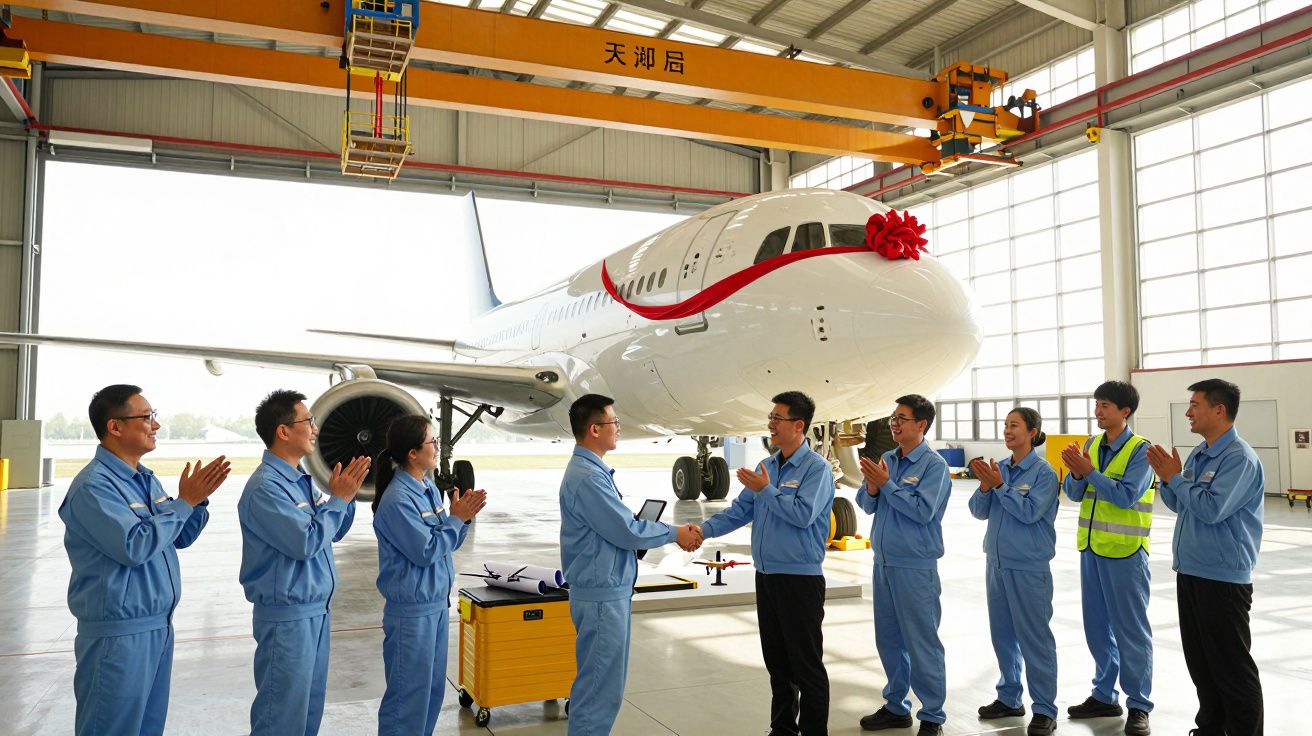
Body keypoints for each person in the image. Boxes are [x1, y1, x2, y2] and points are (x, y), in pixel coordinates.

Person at [60, 384, 230, 736]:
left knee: (147, 728)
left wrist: (195, 501)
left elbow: (178, 537)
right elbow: (133, 546)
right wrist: (184, 502)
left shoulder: (144, 480)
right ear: (115, 426)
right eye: (147, 417)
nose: (156, 425)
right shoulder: (94, 487)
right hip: (118, 635)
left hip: (159, 626)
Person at [558, 393, 702, 736]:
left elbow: (615, 529)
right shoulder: (588, 477)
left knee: (603, 687)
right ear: (594, 429)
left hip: (608, 591)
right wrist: (675, 533)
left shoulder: (592, 472)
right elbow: (625, 530)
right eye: (614, 422)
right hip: (601, 597)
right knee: (598, 691)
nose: (618, 428)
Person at [699, 391, 835, 736]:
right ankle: (783, 728)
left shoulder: (816, 469)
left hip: (799, 579)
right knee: (778, 662)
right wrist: (701, 531)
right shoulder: (768, 467)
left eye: (778, 418)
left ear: (799, 425)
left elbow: (802, 515)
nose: (771, 424)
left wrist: (767, 491)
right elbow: (738, 512)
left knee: (806, 666)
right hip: (767, 575)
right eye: (771, 417)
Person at [238, 389, 370, 736]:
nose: (315, 429)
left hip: (315, 611)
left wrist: (345, 497)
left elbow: (330, 532)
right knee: (281, 717)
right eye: (309, 421)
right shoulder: (266, 488)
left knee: (307, 712)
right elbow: (305, 542)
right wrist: (338, 499)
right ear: (283, 431)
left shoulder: (299, 482)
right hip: (288, 618)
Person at [1148, 379, 1264, 736]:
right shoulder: (1201, 453)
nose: (1188, 412)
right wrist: (1168, 481)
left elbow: (1212, 509)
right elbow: (1182, 504)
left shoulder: (1239, 458)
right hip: (1192, 571)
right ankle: (1210, 728)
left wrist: (1175, 478)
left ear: (1219, 410)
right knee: (1202, 664)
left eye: (1194, 405)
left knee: (1231, 668)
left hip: (1223, 577)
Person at [372, 414, 487, 736]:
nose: (437, 447)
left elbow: (445, 544)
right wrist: (455, 519)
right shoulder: (398, 499)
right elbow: (424, 551)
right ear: (412, 453)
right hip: (412, 613)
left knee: (431, 694)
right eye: (432, 442)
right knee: (407, 700)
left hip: (436, 606)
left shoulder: (428, 489)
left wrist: (462, 519)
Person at [1060, 380, 1154, 736]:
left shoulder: (1141, 451)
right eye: (1096, 404)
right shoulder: (1091, 445)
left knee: (1131, 631)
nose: (1097, 411)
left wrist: (1089, 472)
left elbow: (1127, 496)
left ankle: (1139, 704)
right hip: (1091, 549)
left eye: (1105, 405)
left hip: (1126, 553)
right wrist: (1076, 472)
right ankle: (1104, 695)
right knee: (1097, 628)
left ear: (1124, 411)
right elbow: (1074, 493)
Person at [855, 394, 951, 736]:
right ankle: (896, 707)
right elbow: (867, 505)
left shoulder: (934, 466)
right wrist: (872, 486)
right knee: (889, 640)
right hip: (883, 563)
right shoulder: (887, 459)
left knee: (922, 642)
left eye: (902, 418)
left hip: (915, 566)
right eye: (893, 418)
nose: (894, 423)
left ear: (921, 425)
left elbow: (922, 511)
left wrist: (886, 484)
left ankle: (933, 715)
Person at [968, 408, 1059, 736]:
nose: (1007, 430)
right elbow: (978, 511)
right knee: (1003, 636)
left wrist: (999, 487)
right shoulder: (1001, 468)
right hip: (997, 564)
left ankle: (1045, 709)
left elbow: (1030, 513)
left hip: (1028, 567)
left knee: (1035, 639)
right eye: (1005, 425)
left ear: (1032, 432)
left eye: (1014, 425)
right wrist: (985, 486)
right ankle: (1009, 697)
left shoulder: (1044, 473)